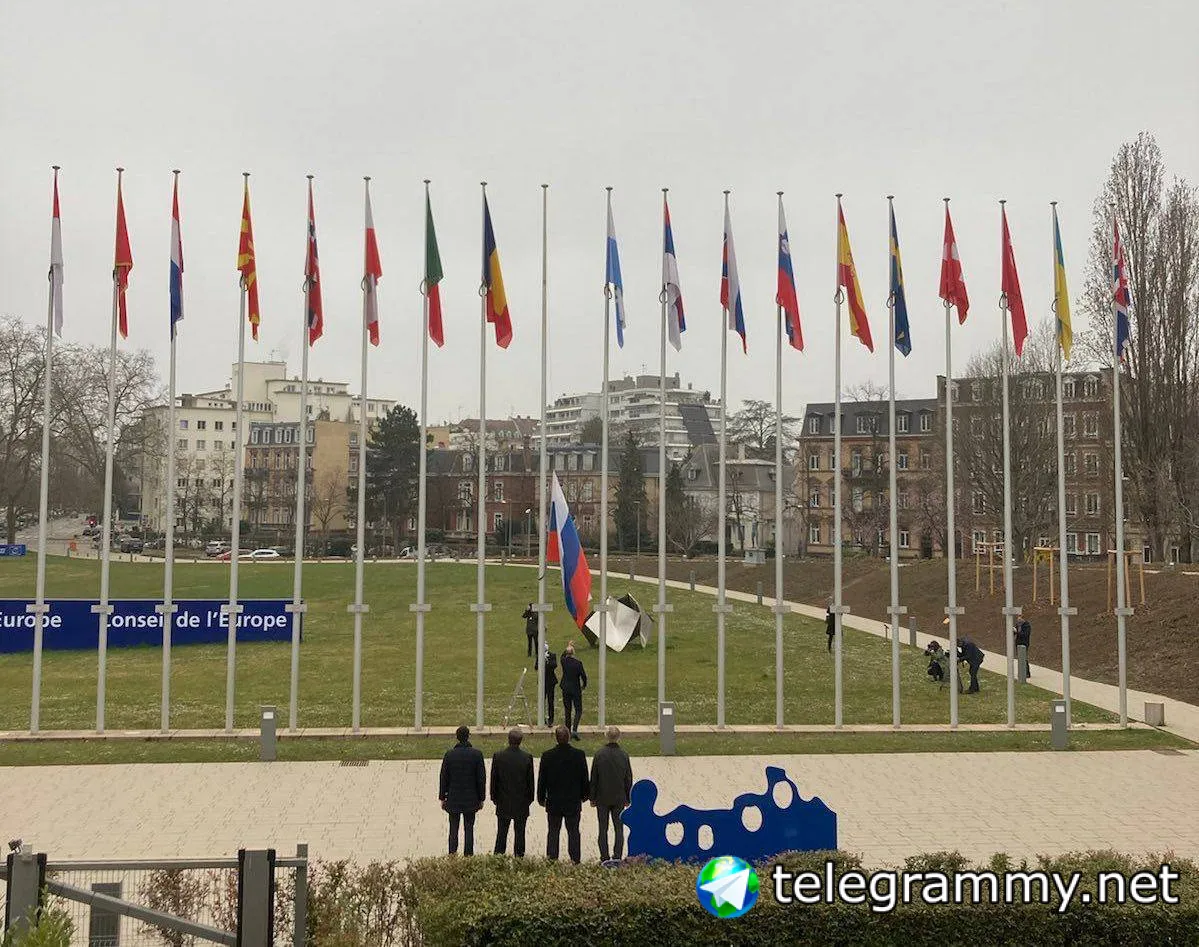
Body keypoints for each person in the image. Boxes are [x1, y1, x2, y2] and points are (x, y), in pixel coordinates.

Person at [537, 724, 590, 863]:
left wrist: (541, 798)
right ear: (569, 737)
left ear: (556, 738)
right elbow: (584, 777)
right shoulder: (578, 755)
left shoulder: (547, 756)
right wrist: (585, 795)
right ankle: (575, 859)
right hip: (573, 801)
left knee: (553, 832)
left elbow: (542, 780)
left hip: (554, 801)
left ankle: (552, 859)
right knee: (573, 832)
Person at [438, 725, 485, 855]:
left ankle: (452, 854)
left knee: (453, 829)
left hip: (453, 798)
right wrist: (481, 798)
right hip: (471, 798)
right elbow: (481, 779)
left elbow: (444, 777)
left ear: (457, 737)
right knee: (469, 829)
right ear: (468, 736)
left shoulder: (449, 755)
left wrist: (442, 797)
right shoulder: (477, 755)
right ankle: (468, 855)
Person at [589, 725, 634, 862]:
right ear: (619, 737)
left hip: (602, 797)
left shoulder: (599, 754)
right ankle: (617, 856)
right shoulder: (624, 755)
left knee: (603, 829)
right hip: (619, 797)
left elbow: (594, 777)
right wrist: (628, 797)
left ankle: (604, 856)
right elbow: (628, 778)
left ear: (606, 737)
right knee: (618, 828)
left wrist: (592, 797)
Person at [490, 727, 535, 857]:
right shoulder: (527, 758)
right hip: (521, 803)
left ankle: (498, 859)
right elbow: (530, 782)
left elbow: (494, 780)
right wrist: (529, 800)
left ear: (508, 740)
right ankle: (519, 859)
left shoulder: (498, 756)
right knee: (520, 834)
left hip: (503, 801)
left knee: (501, 833)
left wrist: (494, 798)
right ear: (521, 741)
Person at [560, 642, 588, 739]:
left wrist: (568, 646)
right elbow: (583, 676)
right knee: (578, 710)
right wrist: (584, 685)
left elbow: (562, 656)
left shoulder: (563, 662)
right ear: (573, 653)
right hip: (575, 688)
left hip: (565, 688)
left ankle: (567, 730)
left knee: (567, 710)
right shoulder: (578, 663)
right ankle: (575, 730)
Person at [543, 644, 559, 726]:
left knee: (550, 700)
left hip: (551, 681)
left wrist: (547, 661)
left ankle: (551, 719)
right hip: (542, 681)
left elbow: (554, 665)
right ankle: (542, 718)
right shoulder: (540, 655)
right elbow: (536, 666)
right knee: (542, 700)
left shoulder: (552, 655)